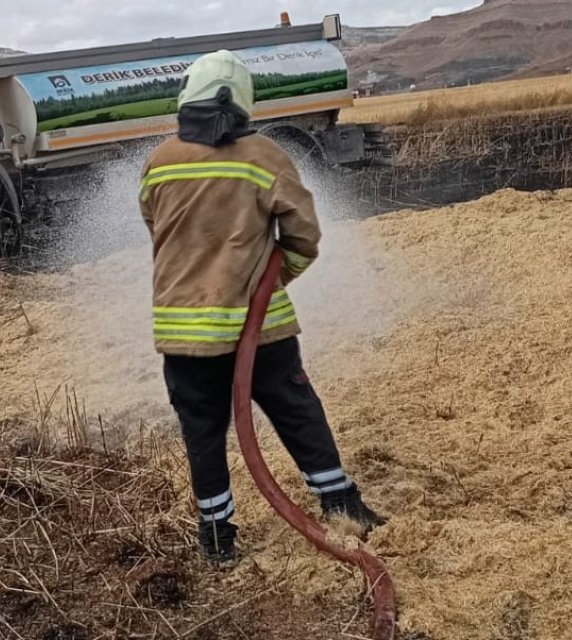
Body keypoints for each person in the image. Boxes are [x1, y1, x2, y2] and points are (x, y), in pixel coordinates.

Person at [139, 50, 385, 568]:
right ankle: (343, 507)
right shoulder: (263, 155)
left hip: (185, 338)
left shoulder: (159, 161)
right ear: (243, 102)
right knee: (297, 413)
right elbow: (304, 236)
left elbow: (155, 226)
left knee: (202, 433)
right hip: (262, 331)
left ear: (188, 99)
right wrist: (270, 282)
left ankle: (217, 538)